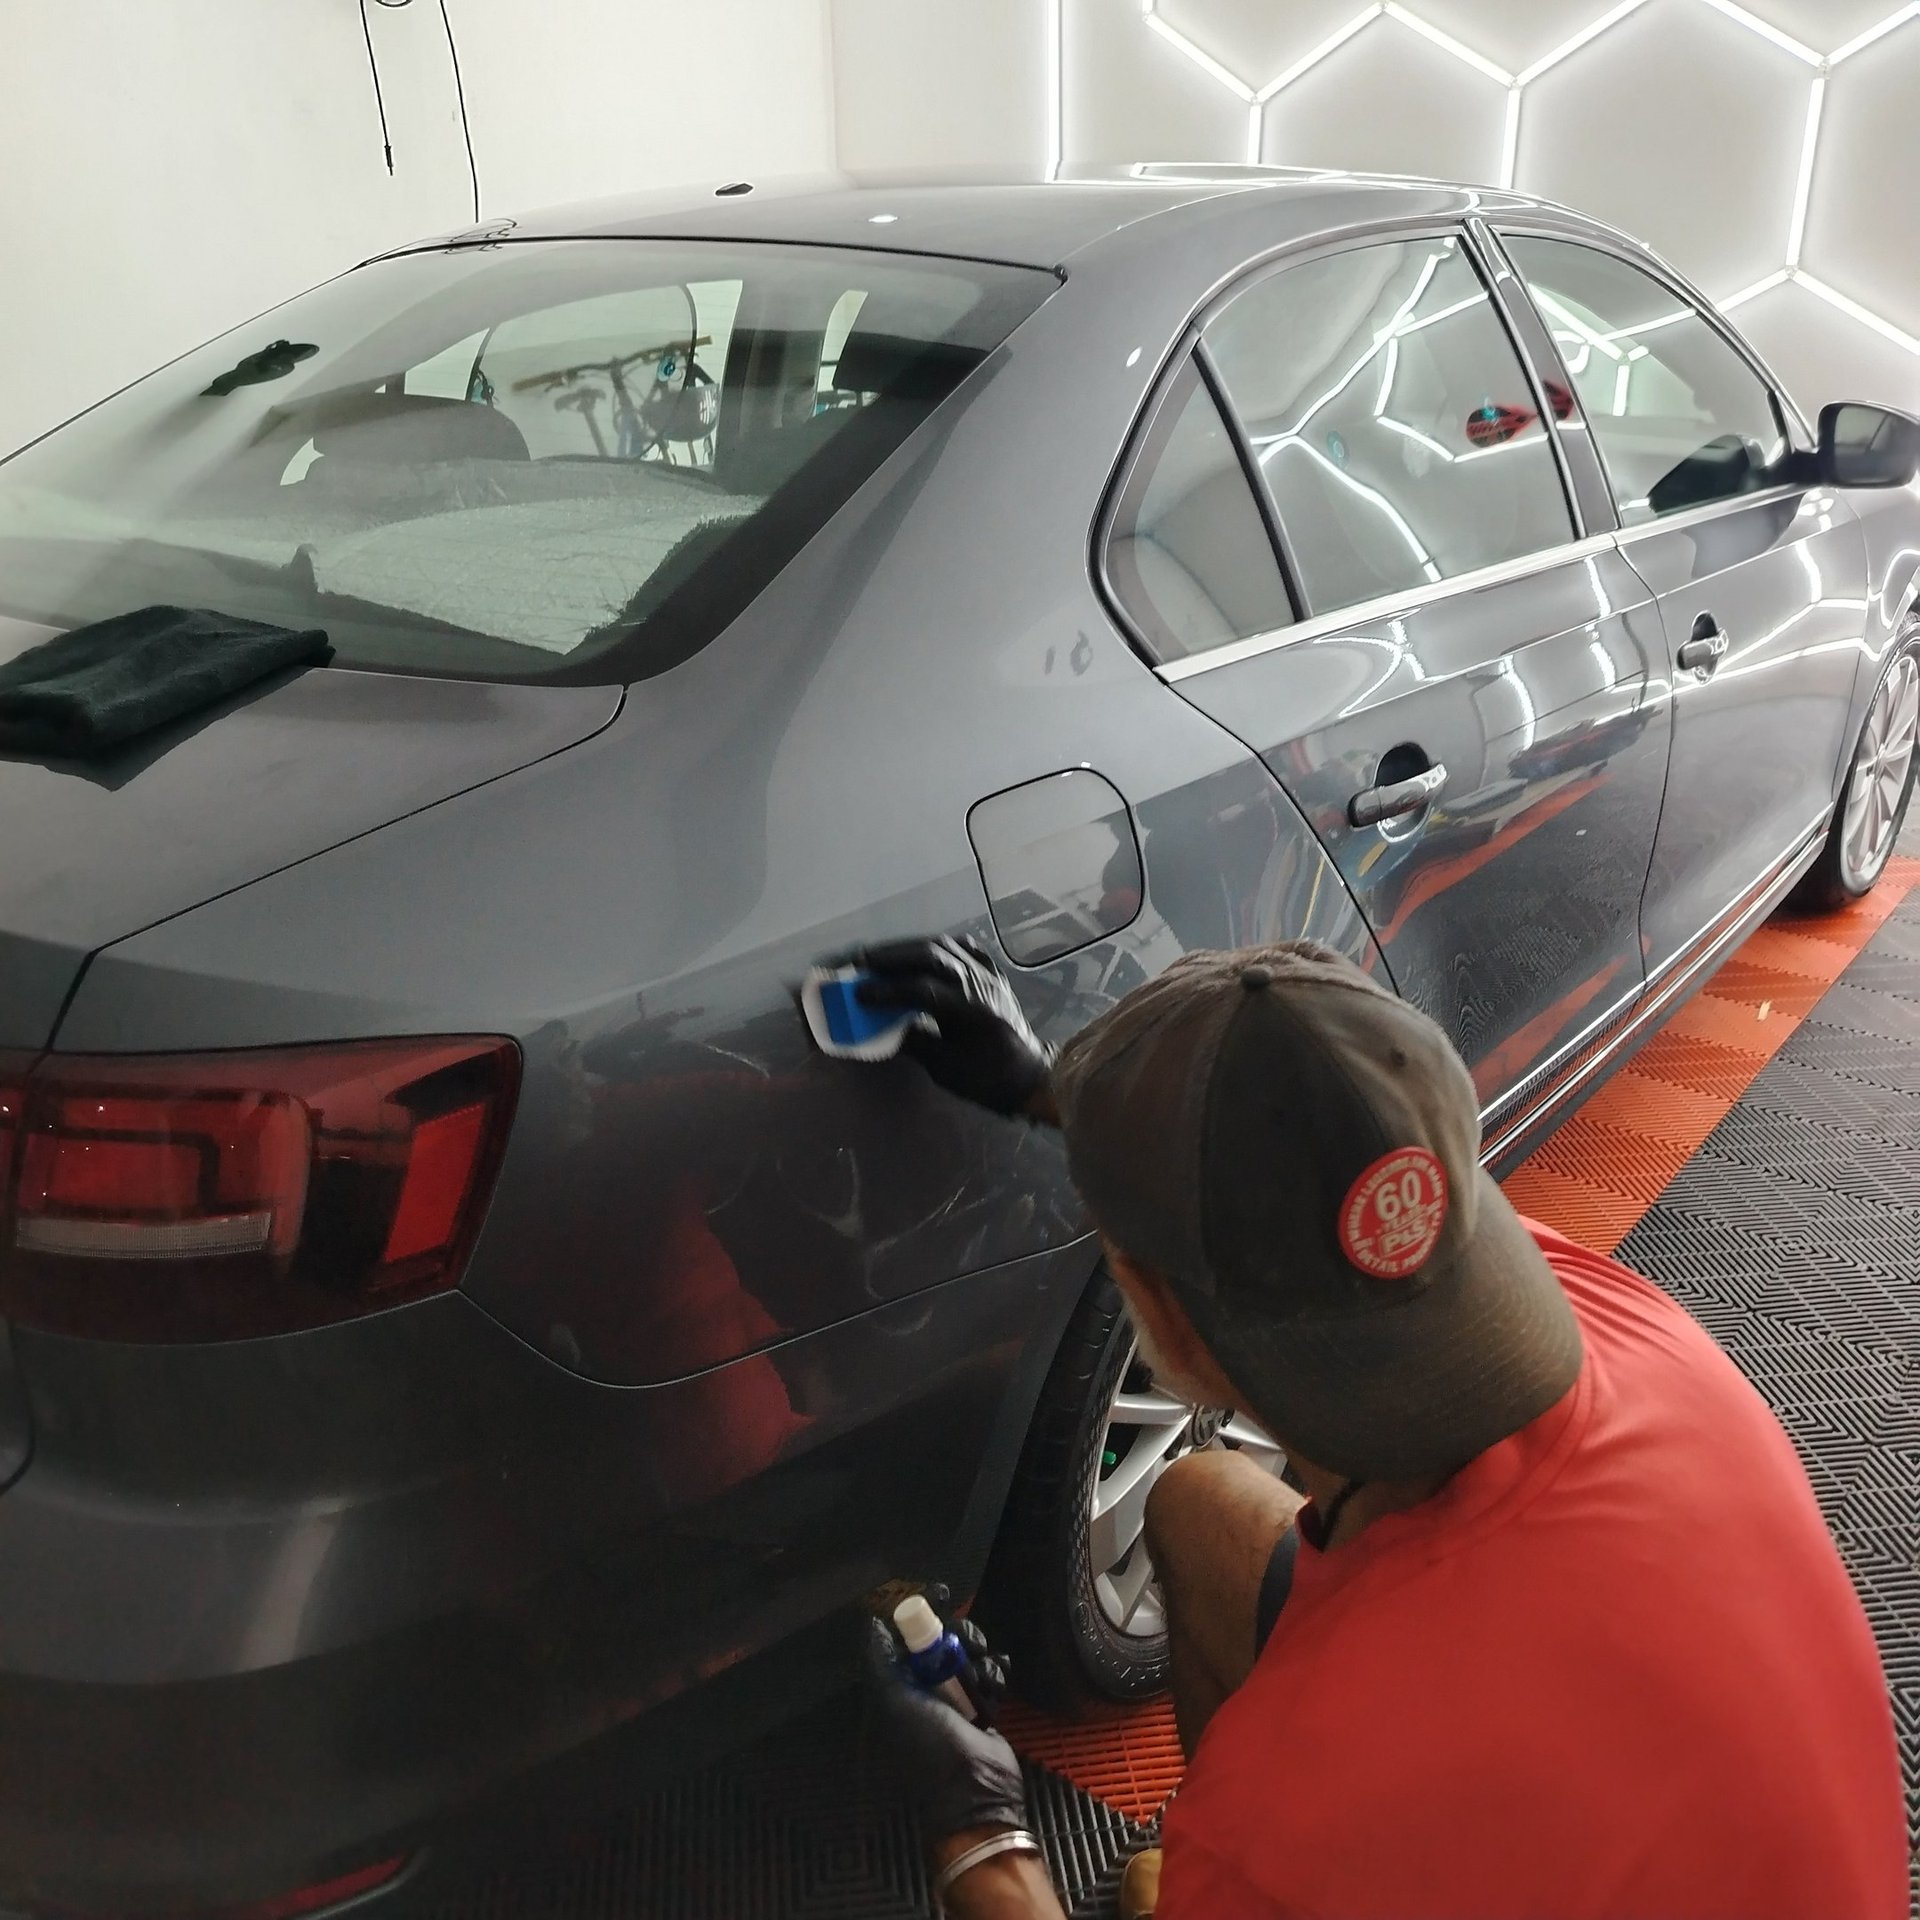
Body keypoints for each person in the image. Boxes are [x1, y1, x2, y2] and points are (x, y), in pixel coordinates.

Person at [857, 936, 1907, 1920]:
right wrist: (1062, 1097)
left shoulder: (1305, 1817)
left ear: (1160, 1318)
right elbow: (1314, 1178)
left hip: (1356, 1835)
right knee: (1200, 1504)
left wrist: (979, 1832)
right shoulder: (1616, 1314)